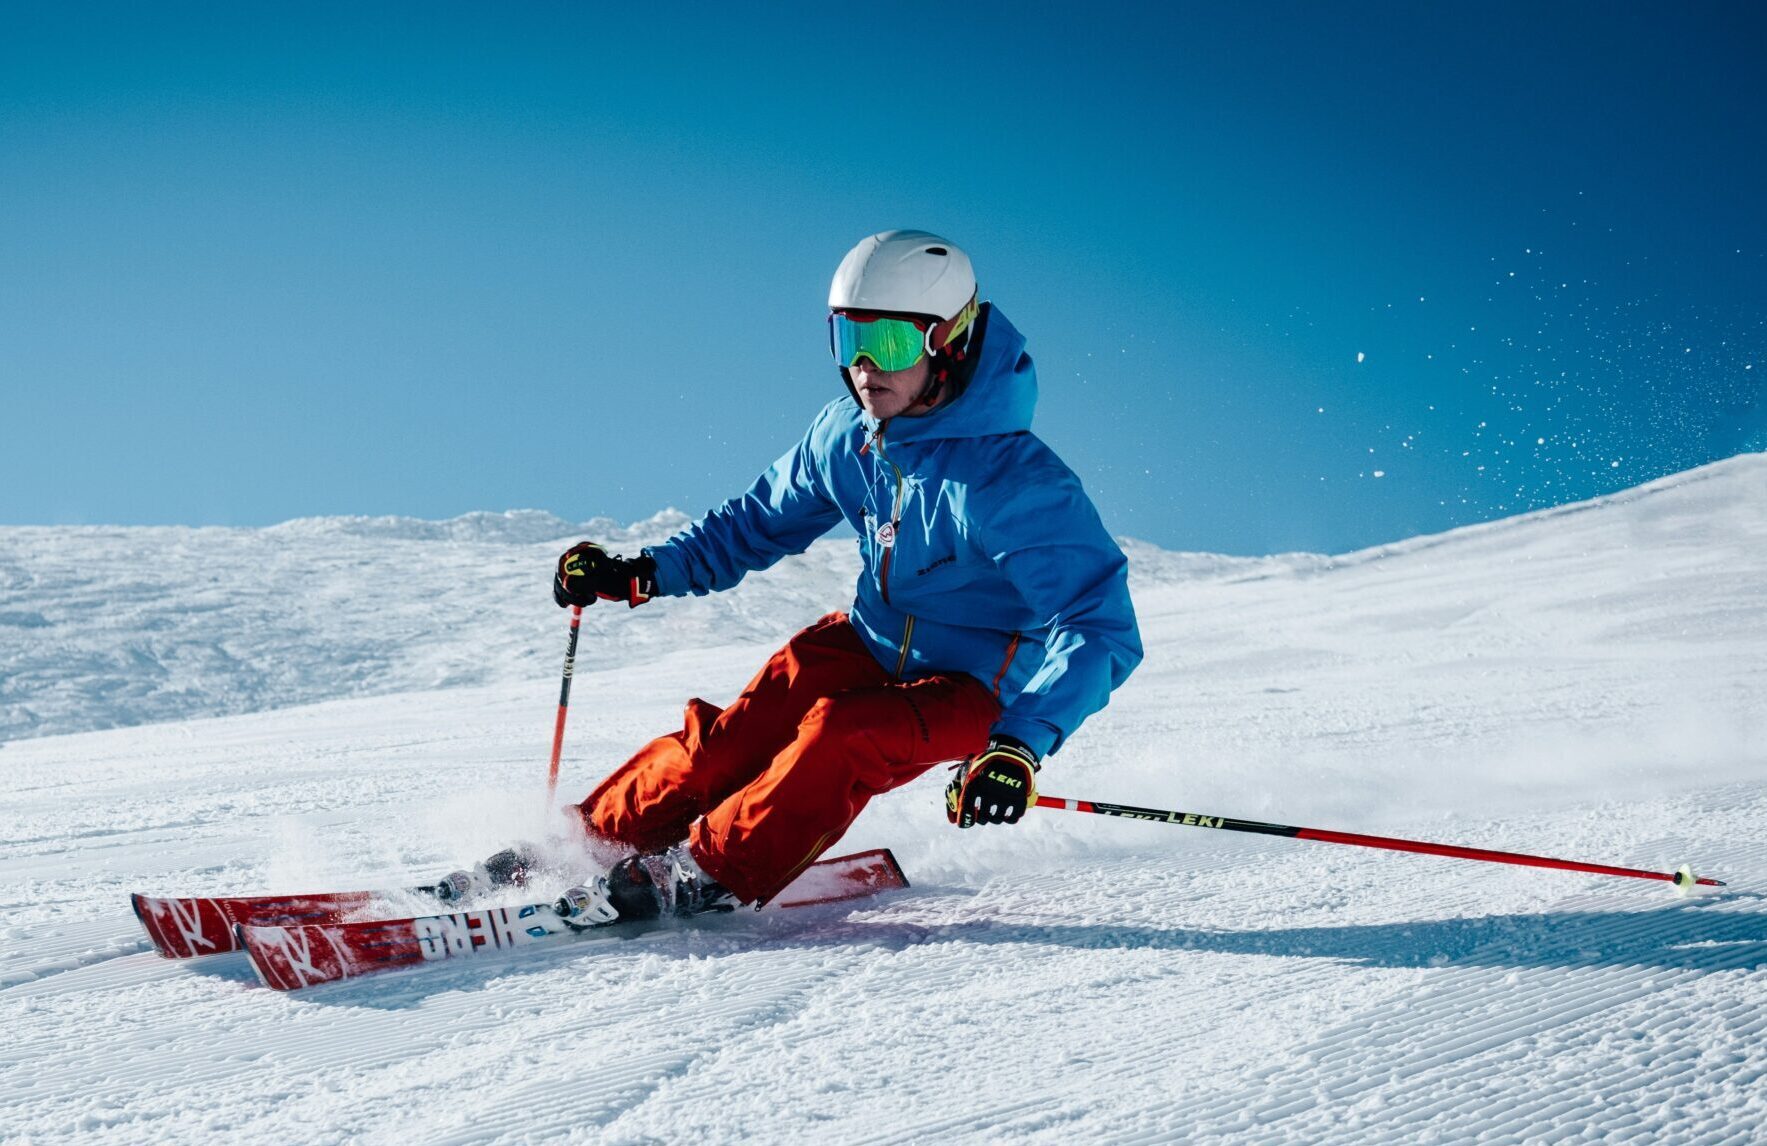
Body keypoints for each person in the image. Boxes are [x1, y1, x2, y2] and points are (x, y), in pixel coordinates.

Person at [548, 229, 1142, 921]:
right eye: (846, 340)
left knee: (844, 732)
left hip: (978, 686)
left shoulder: (1013, 483)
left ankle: (705, 871)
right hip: (867, 640)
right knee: (729, 744)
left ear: (946, 341)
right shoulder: (846, 434)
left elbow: (1098, 626)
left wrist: (1019, 745)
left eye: (887, 343)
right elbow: (752, 524)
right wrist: (640, 571)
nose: (863, 367)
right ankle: (583, 843)